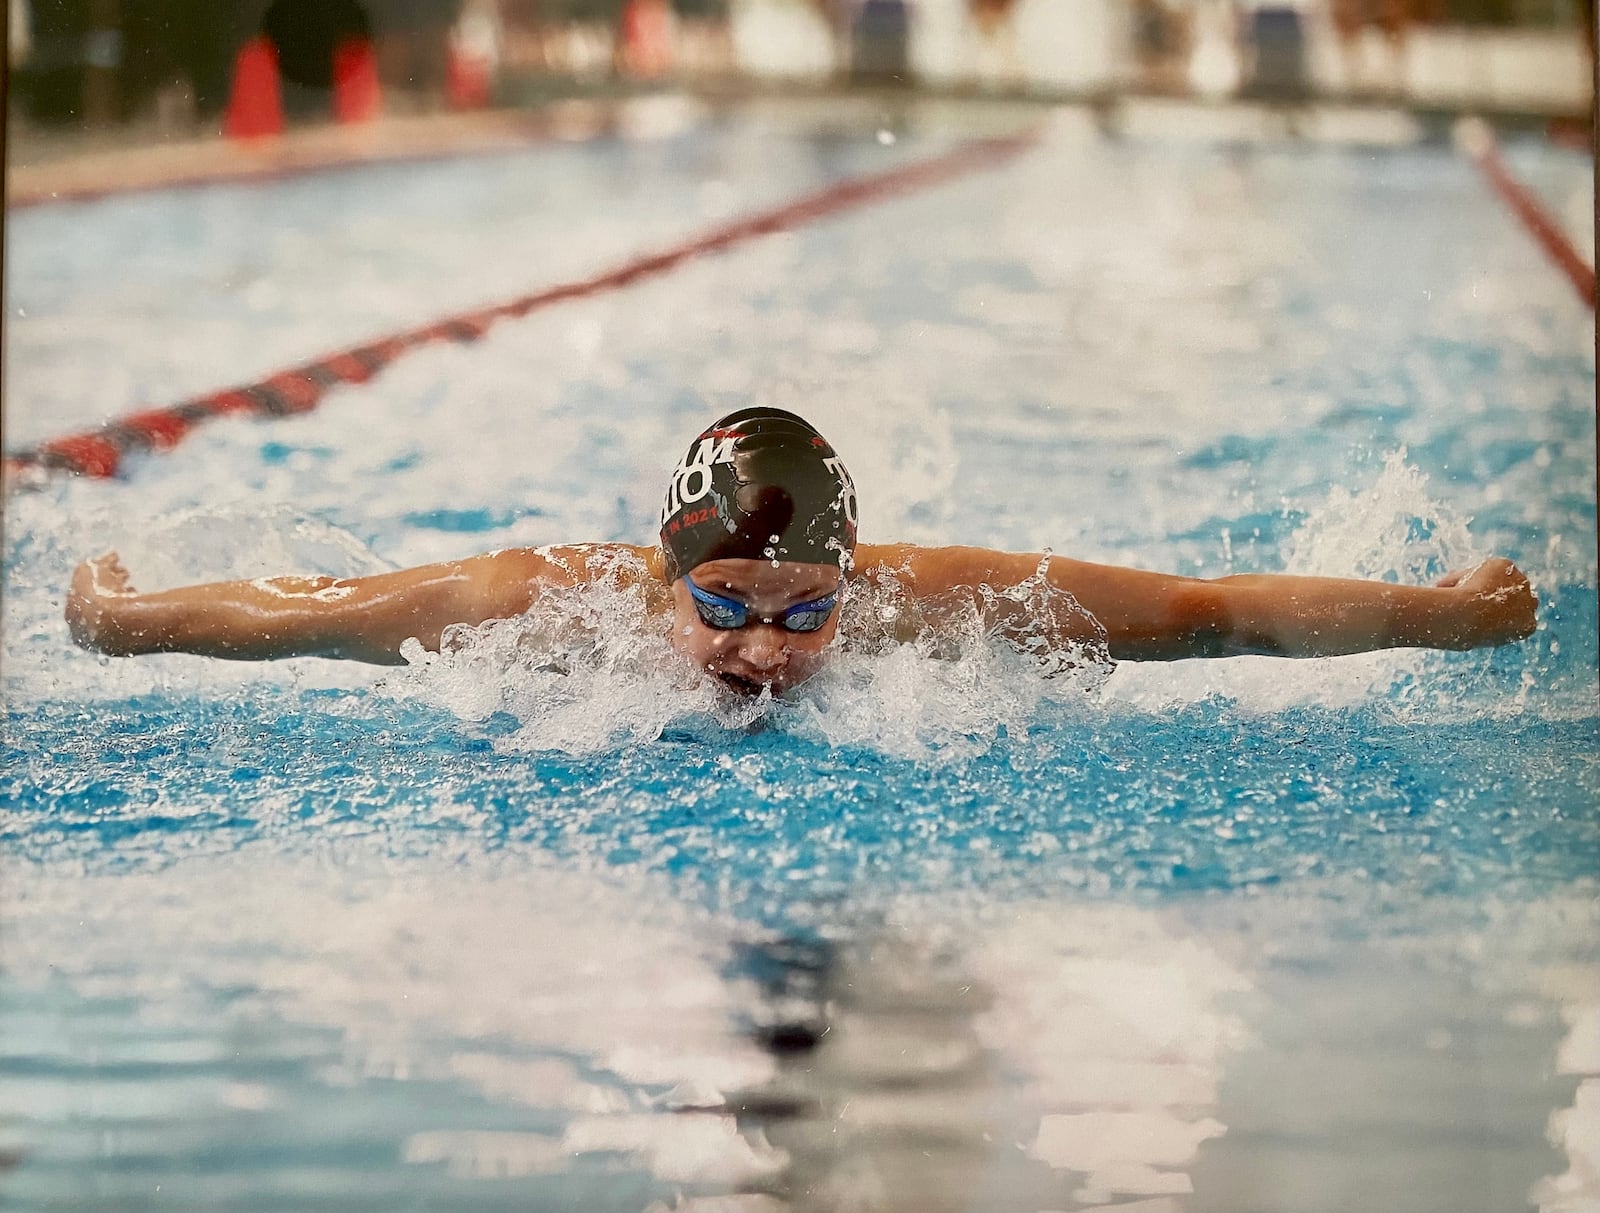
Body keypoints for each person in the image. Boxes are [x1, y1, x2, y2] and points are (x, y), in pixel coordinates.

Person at [65, 407, 1538, 696]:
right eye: (724, 602)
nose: (761, 651)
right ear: (661, 579)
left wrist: (1448, 615)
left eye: (803, 611)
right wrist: (128, 619)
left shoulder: (929, 609)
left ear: (855, 578)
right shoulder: (546, 609)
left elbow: (1211, 612)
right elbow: (314, 611)